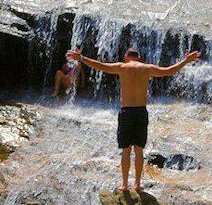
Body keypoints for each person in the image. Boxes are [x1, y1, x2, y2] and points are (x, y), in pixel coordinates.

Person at [67, 47, 199, 190]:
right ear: (139, 57)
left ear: (126, 57)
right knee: (139, 150)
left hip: (126, 112)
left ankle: (124, 184)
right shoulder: (147, 68)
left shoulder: (122, 67)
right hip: (141, 112)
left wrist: (81, 58)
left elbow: (100, 66)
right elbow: (169, 71)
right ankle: (137, 184)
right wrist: (186, 61)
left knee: (126, 149)